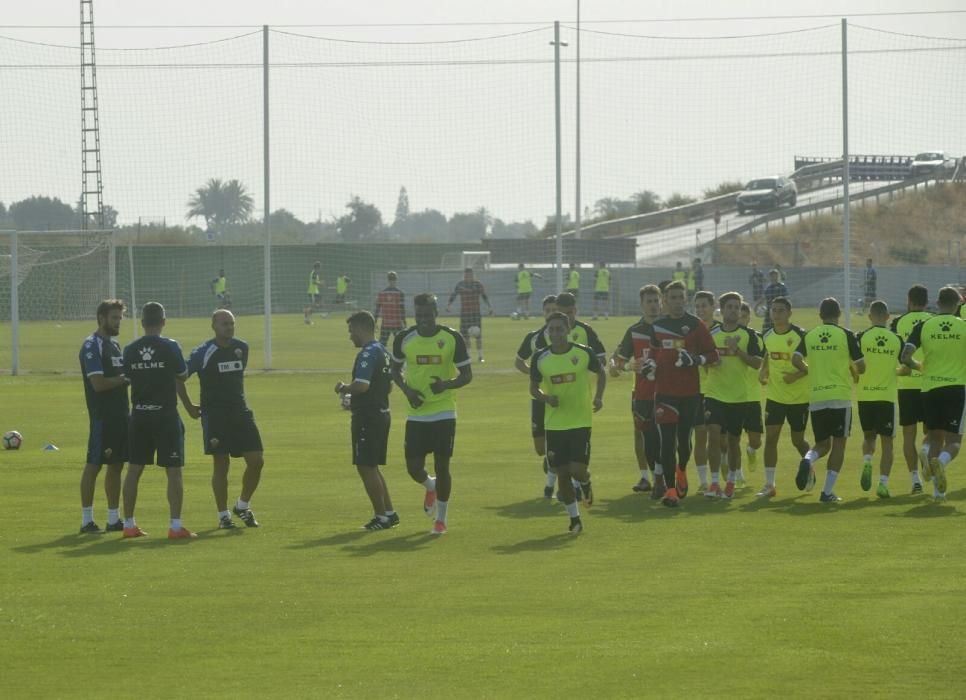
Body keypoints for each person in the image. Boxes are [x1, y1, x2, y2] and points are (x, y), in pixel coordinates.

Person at [391, 293, 473, 535]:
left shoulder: (452, 338)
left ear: (436, 313)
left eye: (428, 315)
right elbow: (394, 370)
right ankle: (431, 486)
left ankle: (441, 519)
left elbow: (467, 375)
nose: (424, 319)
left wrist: (445, 385)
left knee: (442, 464)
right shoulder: (404, 339)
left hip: (444, 411)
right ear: (414, 315)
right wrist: (407, 391)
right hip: (416, 414)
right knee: (413, 467)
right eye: (419, 315)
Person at [181, 310, 264, 529]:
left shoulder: (241, 348)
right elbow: (179, 377)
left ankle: (242, 506)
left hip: (241, 411)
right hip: (215, 415)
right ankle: (223, 516)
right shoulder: (203, 352)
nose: (229, 327)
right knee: (221, 464)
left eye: (232, 324)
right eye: (224, 324)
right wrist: (189, 406)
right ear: (214, 326)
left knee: (257, 461)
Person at [120, 302, 195, 539]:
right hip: (165, 416)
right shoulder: (170, 346)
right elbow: (182, 375)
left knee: (134, 469)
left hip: (140, 414)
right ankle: (175, 527)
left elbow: (128, 377)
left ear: (142, 323)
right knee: (173, 471)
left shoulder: (130, 349)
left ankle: (129, 525)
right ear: (164, 322)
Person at [530, 311, 607, 534]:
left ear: (568, 330)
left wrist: (599, 397)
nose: (556, 333)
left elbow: (601, 373)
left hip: (581, 421)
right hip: (554, 424)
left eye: (559, 329)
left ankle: (585, 483)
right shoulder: (540, 358)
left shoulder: (583, 353)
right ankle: (574, 519)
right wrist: (546, 398)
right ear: (547, 332)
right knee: (562, 473)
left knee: (578, 470)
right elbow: (533, 388)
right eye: (551, 329)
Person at [646, 280, 719, 507]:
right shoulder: (657, 327)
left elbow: (714, 356)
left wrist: (696, 359)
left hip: (690, 392)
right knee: (666, 442)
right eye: (672, 298)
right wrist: (649, 366)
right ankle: (670, 491)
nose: (677, 301)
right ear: (665, 301)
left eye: (680, 297)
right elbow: (651, 354)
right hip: (664, 393)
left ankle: (681, 468)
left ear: (685, 299)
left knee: (684, 442)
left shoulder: (696, 325)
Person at [791, 297, 865, 503]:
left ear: (820, 315)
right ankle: (827, 492)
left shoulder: (810, 335)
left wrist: (810, 371)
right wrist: (852, 368)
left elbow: (795, 359)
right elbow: (862, 366)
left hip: (817, 396)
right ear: (839, 314)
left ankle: (808, 459)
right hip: (839, 396)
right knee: (839, 444)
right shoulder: (846, 335)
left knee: (822, 443)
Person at [901, 286, 966, 500]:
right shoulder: (963, 326)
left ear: (937, 303)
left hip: (929, 389)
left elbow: (905, 356)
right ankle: (942, 462)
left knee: (935, 438)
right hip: (956, 388)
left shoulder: (923, 326)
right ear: (958, 304)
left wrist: (919, 366)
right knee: (954, 441)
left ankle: (939, 493)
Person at [336, 311, 397, 530]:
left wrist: (344, 389)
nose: (350, 335)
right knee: (372, 466)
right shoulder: (383, 351)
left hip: (368, 418)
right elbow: (389, 386)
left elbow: (362, 385)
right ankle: (389, 513)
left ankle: (380, 517)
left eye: (351, 330)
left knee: (365, 466)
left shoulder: (367, 353)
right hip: (381, 413)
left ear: (361, 328)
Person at [702, 292, 763, 499]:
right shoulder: (712, 334)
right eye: (730, 307)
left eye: (737, 307)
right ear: (722, 309)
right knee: (714, 436)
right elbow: (703, 361)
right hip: (714, 393)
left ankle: (730, 482)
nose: (734, 311)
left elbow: (758, 363)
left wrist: (737, 351)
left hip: (738, 396)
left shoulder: (749, 336)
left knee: (734, 441)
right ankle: (713, 483)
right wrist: (711, 361)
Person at [78, 299, 130, 534]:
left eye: (120, 318)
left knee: (117, 464)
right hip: (102, 416)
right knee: (94, 464)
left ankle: (113, 519)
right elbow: (97, 384)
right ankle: (87, 520)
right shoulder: (91, 345)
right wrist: (124, 379)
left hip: (121, 415)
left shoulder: (115, 345)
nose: (118, 322)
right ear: (101, 318)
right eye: (114, 318)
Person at [612, 285, 663, 493]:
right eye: (648, 302)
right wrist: (626, 366)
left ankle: (667, 477)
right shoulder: (634, 331)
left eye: (655, 301)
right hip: (642, 393)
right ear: (642, 305)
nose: (652, 305)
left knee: (667, 438)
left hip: (670, 392)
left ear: (661, 302)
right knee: (642, 435)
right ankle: (646, 477)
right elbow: (614, 363)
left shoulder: (670, 327)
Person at [759, 296, 810, 498]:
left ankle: (808, 468)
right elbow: (768, 354)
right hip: (775, 396)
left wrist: (795, 375)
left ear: (789, 313)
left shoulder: (801, 336)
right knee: (771, 438)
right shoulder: (768, 335)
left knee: (798, 440)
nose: (776, 313)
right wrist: (763, 370)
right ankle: (770, 484)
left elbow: (811, 366)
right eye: (773, 310)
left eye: (780, 310)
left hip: (799, 397)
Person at [855, 301, 903, 498]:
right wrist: (895, 371)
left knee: (868, 437)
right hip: (886, 397)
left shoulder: (860, 337)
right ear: (888, 316)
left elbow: (855, 365)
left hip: (865, 396)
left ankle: (867, 460)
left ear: (870, 317)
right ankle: (883, 484)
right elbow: (906, 368)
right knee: (887, 443)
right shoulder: (896, 339)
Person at [514, 295, 557, 498]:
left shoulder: (566, 336)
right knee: (541, 449)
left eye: (553, 310)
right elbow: (519, 361)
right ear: (543, 313)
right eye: (547, 310)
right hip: (539, 397)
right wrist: (533, 373)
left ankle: (552, 482)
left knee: (556, 444)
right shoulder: (534, 338)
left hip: (559, 398)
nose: (550, 313)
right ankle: (550, 460)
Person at [890, 285, 931, 494]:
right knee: (932, 431)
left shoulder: (897, 322)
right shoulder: (931, 320)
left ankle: (915, 480)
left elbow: (894, 350)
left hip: (906, 385)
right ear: (927, 301)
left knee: (908, 434)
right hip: (929, 383)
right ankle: (926, 449)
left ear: (909, 300)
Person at [691, 290, 718, 493]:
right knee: (700, 435)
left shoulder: (720, 330)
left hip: (717, 391)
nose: (701, 309)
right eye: (697, 306)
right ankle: (703, 480)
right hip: (693, 390)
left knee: (719, 438)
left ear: (712, 307)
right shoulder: (690, 329)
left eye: (704, 305)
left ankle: (727, 472)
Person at [738, 301, 764, 482]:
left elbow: (764, 362)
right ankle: (737, 475)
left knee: (756, 441)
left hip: (752, 397)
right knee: (731, 440)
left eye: (744, 315)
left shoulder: (758, 338)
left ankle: (751, 450)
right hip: (732, 395)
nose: (740, 319)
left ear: (749, 317)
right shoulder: (725, 336)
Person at [446, 267, 493, 363]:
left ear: (473, 275)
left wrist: (489, 307)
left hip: (475, 313)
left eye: (470, 275)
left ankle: (481, 356)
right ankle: (468, 356)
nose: (468, 277)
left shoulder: (478, 284)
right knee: (465, 336)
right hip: (465, 314)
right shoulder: (460, 285)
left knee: (478, 335)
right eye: (466, 275)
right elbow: (453, 295)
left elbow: (484, 296)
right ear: (464, 275)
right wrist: (449, 305)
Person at [373, 271, 407, 346]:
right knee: (400, 344)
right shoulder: (400, 293)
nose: (392, 281)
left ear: (387, 280)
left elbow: (377, 309)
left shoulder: (382, 293)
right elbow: (402, 309)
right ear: (396, 280)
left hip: (386, 324)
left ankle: (382, 357)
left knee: (382, 344)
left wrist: (374, 321)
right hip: (397, 324)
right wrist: (404, 322)